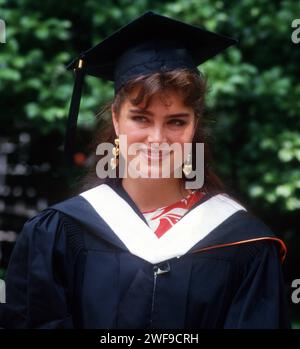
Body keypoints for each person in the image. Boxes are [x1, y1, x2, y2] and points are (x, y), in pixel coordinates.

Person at [0, 11, 290, 329]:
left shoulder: (246, 246)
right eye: (140, 118)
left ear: (195, 126)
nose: (157, 139)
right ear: (115, 119)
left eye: (176, 121)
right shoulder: (60, 233)